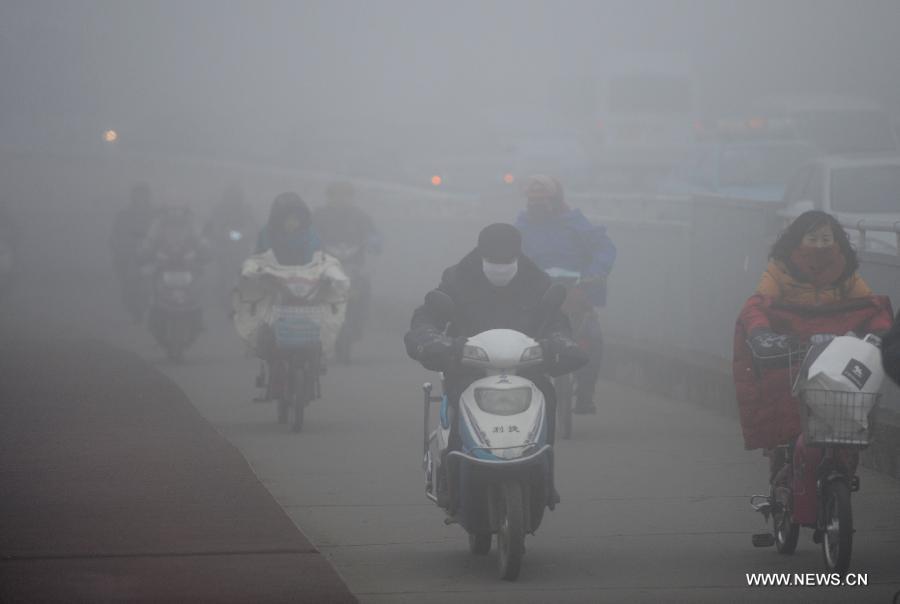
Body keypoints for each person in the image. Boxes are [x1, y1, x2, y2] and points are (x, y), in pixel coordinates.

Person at [405, 223, 586, 505]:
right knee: (455, 402)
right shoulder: (457, 278)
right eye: (493, 260)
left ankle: (545, 477)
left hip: (526, 369)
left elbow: (556, 324)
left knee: (548, 397)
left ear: (518, 256)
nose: (500, 266)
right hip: (468, 369)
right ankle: (452, 480)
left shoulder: (537, 281)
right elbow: (427, 318)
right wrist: (433, 341)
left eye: (507, 261)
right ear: (480, 254)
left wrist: (560, 344)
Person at [733, 211, 893, 524]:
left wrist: (878, 335)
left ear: (837, 242)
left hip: (834, 354)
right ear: (797, 241)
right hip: (794, 353)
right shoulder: (779, 270)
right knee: (787, 412)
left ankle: (839, 473)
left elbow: (870, 307)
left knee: (846, 420)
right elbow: (759, 305)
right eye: (812, 238)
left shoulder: (846, 273)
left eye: (826, 239)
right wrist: (762, 334)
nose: (820, 246)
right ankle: (782, 472)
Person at [514, 174, 616, 414]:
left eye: (543, 200)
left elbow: (604, 248)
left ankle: (585, 394)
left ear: (556, 200)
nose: (537, 205)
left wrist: (595, 272)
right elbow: (511, 253)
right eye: (533, 200)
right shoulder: (522, 227)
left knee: (592, 339)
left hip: (575, 294)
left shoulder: (575, 223)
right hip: (537, 297)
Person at [109, 183, 158, 321]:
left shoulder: (155, 215)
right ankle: (135, 309)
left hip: (150, 256)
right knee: (129, 286)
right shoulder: (123, 216)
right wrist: (121, 252)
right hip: (128, 257)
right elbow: (115, 237)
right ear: (133, 198)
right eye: (138, 196)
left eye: (144, 196)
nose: (141, 200)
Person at [255, 192, 320, 266]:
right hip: (271, 275)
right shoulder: (266, 234)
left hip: (307, 275)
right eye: (287, 219)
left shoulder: (311, 235)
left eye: (296, 219)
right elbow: (257, 259)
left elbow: (318, 261)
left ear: (302, 219)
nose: (292, 223)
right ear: (278, 219)